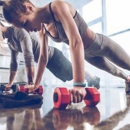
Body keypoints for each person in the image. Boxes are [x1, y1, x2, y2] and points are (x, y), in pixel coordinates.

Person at [2, 0, 130, 103]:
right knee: (115, 71)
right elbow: (43, 57)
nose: (27, 30)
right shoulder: (43, 28)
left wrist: (79, 84)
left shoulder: (57, 6)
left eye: (25, 23)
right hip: (87, 55)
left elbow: (75, 41)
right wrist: (36, 84)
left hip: (101, 45)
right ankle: (127, 80)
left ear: (29, 7)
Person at [0, 22, 100, 90]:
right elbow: (14, 63)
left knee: (72, 72)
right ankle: (91, 79)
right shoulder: (10, 43)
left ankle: (94, 79)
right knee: (70, 75)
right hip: (46, 61)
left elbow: (28, 56)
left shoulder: (18, 31)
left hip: (53, 57)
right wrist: (10, 83)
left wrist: (31, 83)